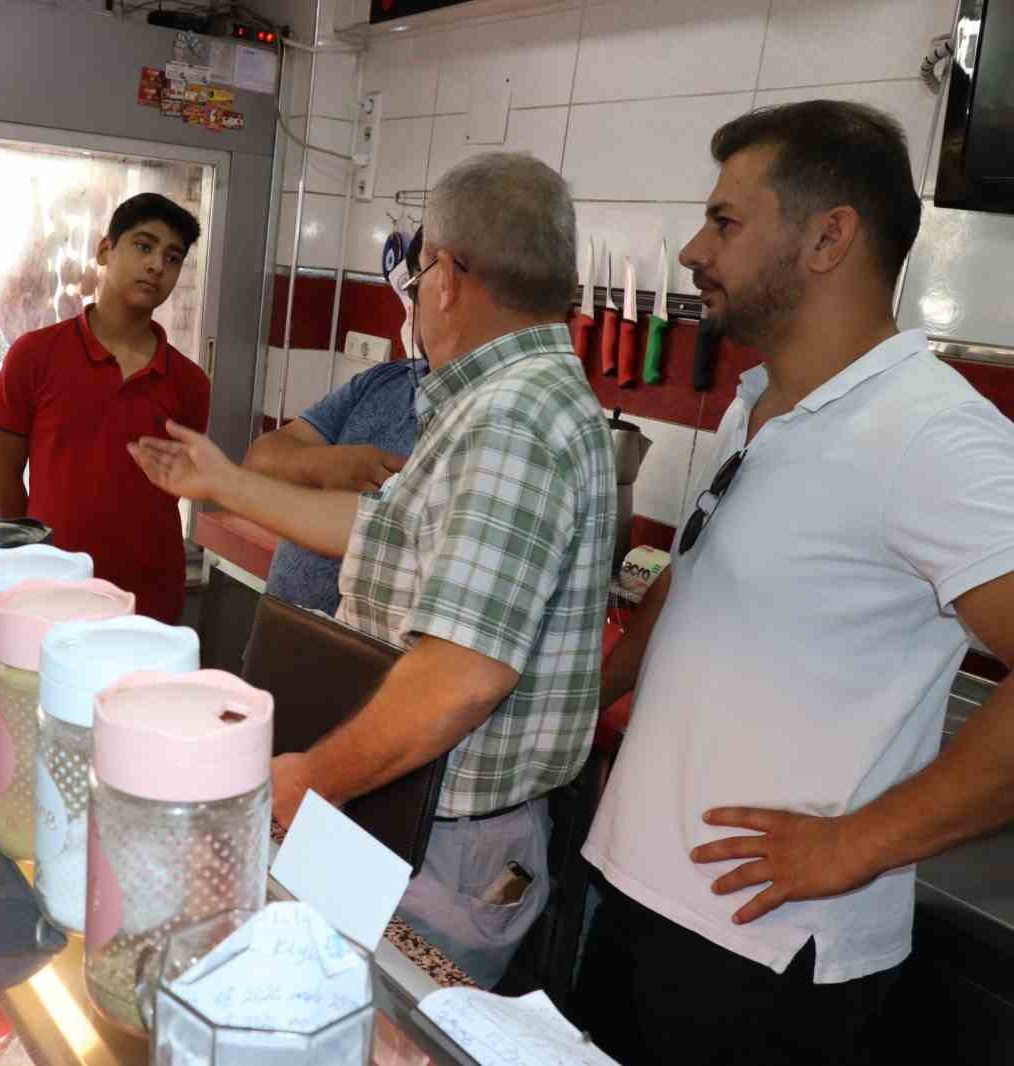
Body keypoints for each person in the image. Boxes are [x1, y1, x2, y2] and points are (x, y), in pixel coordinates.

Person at [574, 100, 1014, 1066]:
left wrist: (854, 845)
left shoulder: (935, 436)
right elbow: (692, 583)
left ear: (827, 237)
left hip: (763, 957)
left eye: (725, 221)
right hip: (642, 895)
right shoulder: (761, 404)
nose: (695, 248)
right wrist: (579, 701)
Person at [130, 154, 616, 986]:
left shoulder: (514, 419)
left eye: (422, 269)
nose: (420, 292)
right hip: (403, 811)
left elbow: (460, 677)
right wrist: (223, 481)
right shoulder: (499, 400)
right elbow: (379, 531)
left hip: (439, 840)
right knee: (322, 997)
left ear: (451, 276)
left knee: (370, 1025)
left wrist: (313, 779)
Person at [0, 193, 210, 624]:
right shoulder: (34, 354)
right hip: (50, 589)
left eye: (172, 257)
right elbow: (3, 473)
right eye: (143, 246)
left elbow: (173, 487)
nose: (156, 266)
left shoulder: (190, 383)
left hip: (149, 595)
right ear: (105, 250)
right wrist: (32, 556)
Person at [244, 257, 424, 614]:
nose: (412, 305)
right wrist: (326, 465)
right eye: (410, 292)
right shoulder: (384, 381)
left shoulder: (480, 414)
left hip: (367, 657)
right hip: (282, 636)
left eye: (418, 287)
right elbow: (260, 460)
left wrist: (221, 482)